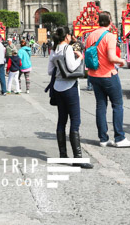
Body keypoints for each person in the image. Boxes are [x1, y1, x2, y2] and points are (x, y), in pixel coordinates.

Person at [46, 26, 92, 169]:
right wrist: (80, 58)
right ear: (66, 36)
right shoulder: (68, 49)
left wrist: (59, 68)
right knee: (75, 121)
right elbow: (72, 68)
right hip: (69, 87)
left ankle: (63, 154)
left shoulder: (54, 50)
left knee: (62, 121)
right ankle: (77, 158)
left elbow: (49, 71)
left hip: (58, 88)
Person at [86, 12, 130, 147]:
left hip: (94, 75)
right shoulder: (109, 36)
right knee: (117, 105)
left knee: (101, 106)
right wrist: (122, 61)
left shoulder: (90, 36)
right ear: (110, 21)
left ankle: (103, 138)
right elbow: (112, 57)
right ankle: (119, 138)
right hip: (108, 75)